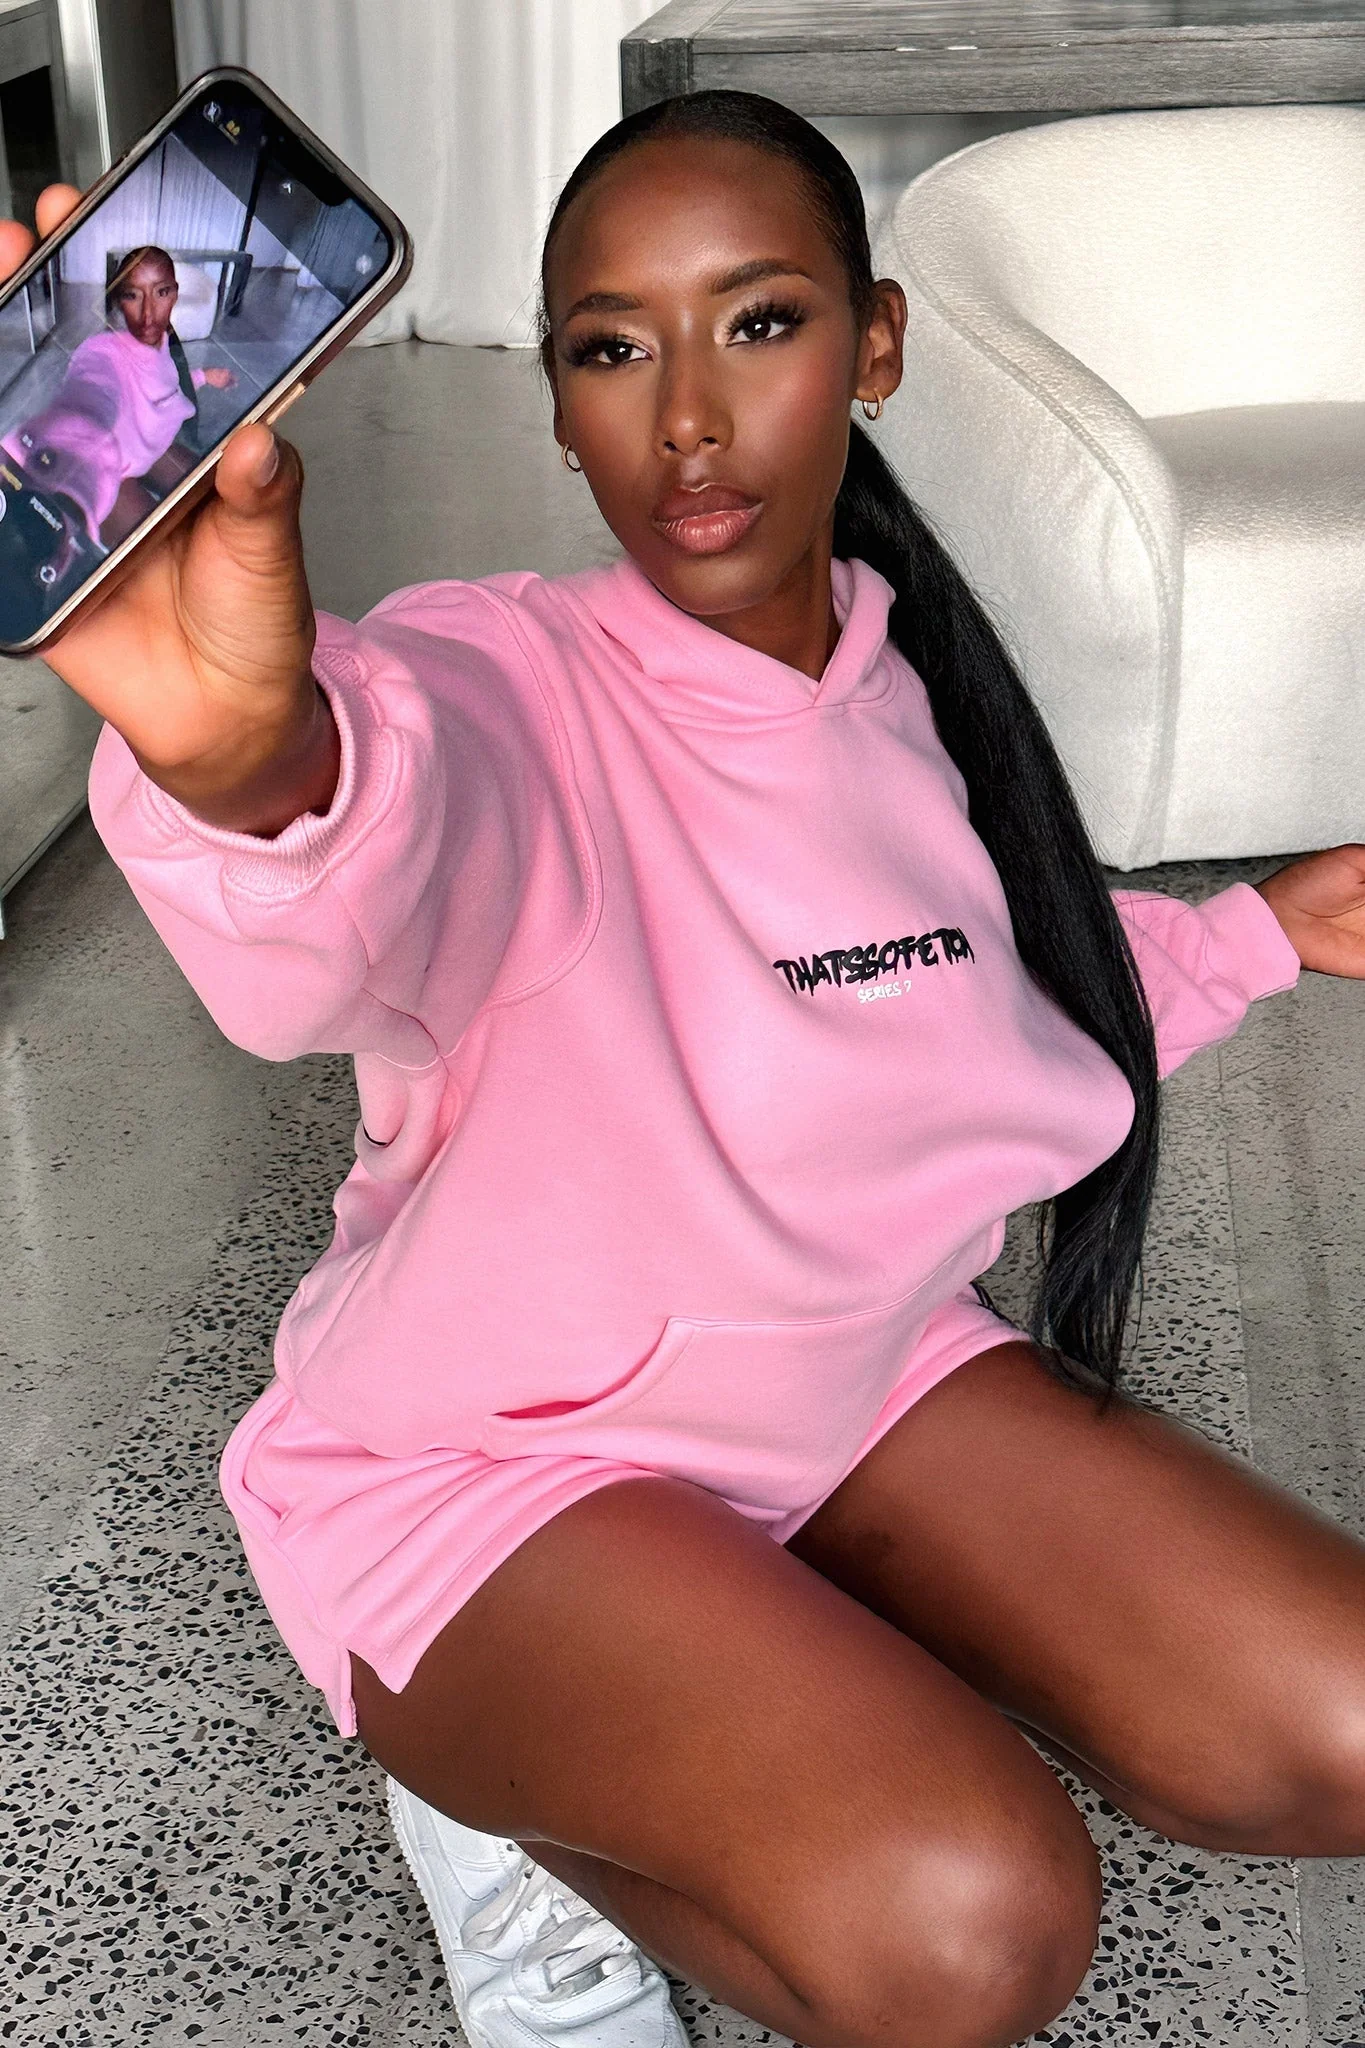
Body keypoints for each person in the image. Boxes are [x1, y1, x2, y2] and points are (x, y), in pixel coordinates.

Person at [10, 89, 1365, 2048]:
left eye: (760, 321)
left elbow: (954, 996)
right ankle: (504, 1806)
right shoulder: (501, 680)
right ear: (558, 409)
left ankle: (749, 1653)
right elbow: (363, 827)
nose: (690, 419)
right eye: (611, 349)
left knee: (1341, 1717)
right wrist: (249, 766)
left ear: (874, 344)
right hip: (499, 1460)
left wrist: (1260, 930)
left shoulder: (913, 679)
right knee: (974, 1920)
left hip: (854, 1369)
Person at [0, 244, 235, 562]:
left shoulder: (166, 347)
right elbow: (92, 388)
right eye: (133, 295)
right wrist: (59, 440)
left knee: (216, 490)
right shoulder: (101, 350)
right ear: (117, 303)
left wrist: (205, 376)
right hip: (103, 460)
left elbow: (164, 390)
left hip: (147, 445)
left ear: (175, 294)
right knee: (164, 550)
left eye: (161, 292)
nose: (148, 310)